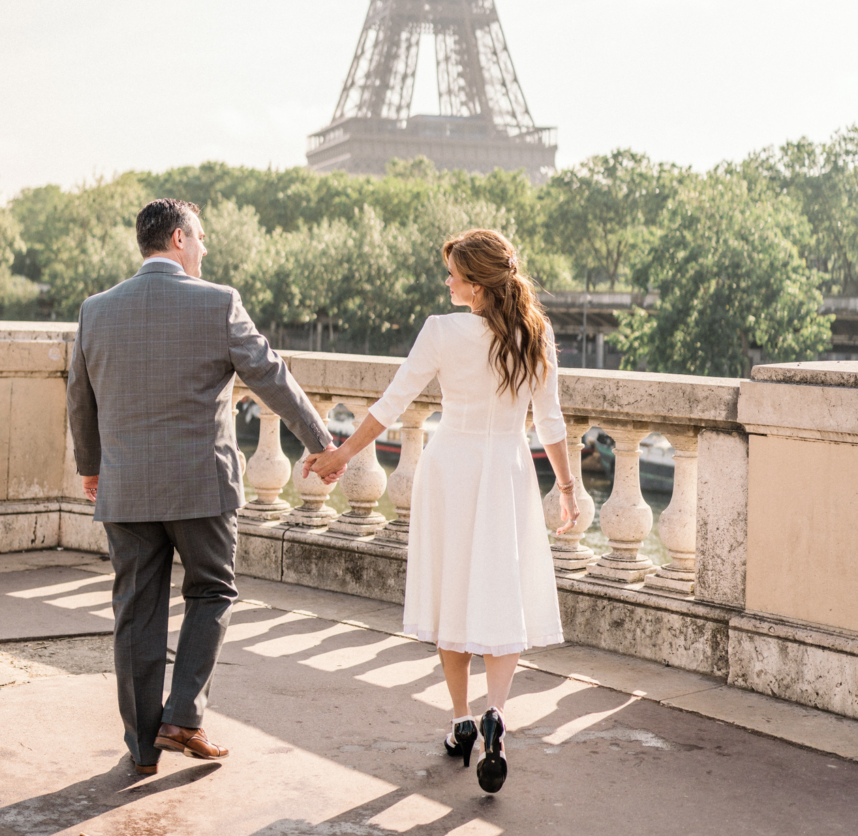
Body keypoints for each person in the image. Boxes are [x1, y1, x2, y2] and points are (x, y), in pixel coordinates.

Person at [67, 197, 344, 775]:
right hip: (201, 487)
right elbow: (272, 377)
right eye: (200, 238)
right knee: (212, 592)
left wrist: (91, 467)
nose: (205, 248)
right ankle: (183, 717)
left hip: (127, 489)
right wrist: (320, 443)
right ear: (176, 240)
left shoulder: (96, 310)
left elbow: (80, 396)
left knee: (135, 613)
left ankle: (143, 748)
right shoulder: (219, 303)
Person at [306, 227, 579, 795]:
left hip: (452, 466)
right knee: (502, 591)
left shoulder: (441, 332)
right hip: (507, 468)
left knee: (453, 589)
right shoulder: (536, 332)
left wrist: (342, 454)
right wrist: (570, 489)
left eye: (454, 273)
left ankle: (460, 719)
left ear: (476, 286)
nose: (447, 280)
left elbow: (392, 403)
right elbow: (550, 421)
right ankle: (496, 713)